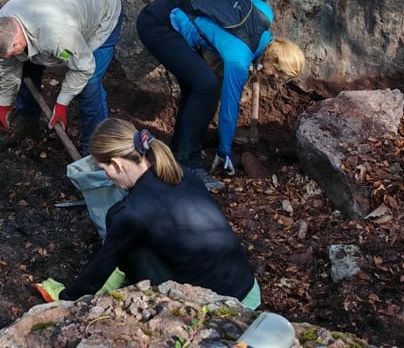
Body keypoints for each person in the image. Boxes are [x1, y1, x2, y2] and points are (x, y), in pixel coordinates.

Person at [36, 117, 261, 308]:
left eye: (105, 170)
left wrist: (66, 300)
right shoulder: (179, 172)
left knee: (124, 239)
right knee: (120, 219)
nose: (108, 177)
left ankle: (113, 285)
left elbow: (99, 269)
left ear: (117, 164)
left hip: (216, 305)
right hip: (248, 290)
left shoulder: (134, 212)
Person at [136, 0, 304, 189]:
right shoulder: (239, 59)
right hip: (159, 25)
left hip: (169, 12)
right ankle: (189, 164)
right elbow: (229, 108)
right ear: (273, 61)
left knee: (196, 87)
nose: (274, 78)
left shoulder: (265, 13)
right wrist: (224, 152)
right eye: (277, 74)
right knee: (206, 86)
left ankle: (177, 154)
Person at [0, 0, 124, 154]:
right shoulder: (0, 27)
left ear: (15, 42)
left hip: (103, 11)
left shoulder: (55, 35)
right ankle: (26, 118)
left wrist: (62, 104)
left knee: (89, 86)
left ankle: (97, 152)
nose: (6, 59)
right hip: (65, 0)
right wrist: (4, 105)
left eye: (8, 54)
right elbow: (9, 70)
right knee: (25, 66)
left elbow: (83, 68)